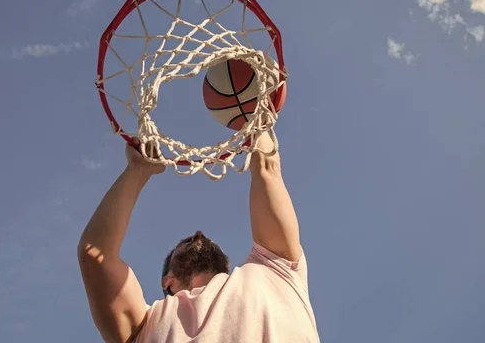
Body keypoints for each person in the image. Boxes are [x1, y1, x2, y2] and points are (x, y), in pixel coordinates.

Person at [77, 132, 320, 343]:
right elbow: (95, 254)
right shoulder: (144, 324)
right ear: (167, 281)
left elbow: (268, 169)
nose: (199, 233)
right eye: (184, 243)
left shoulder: (276, 269)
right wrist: (138, 169)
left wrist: (256, 113)